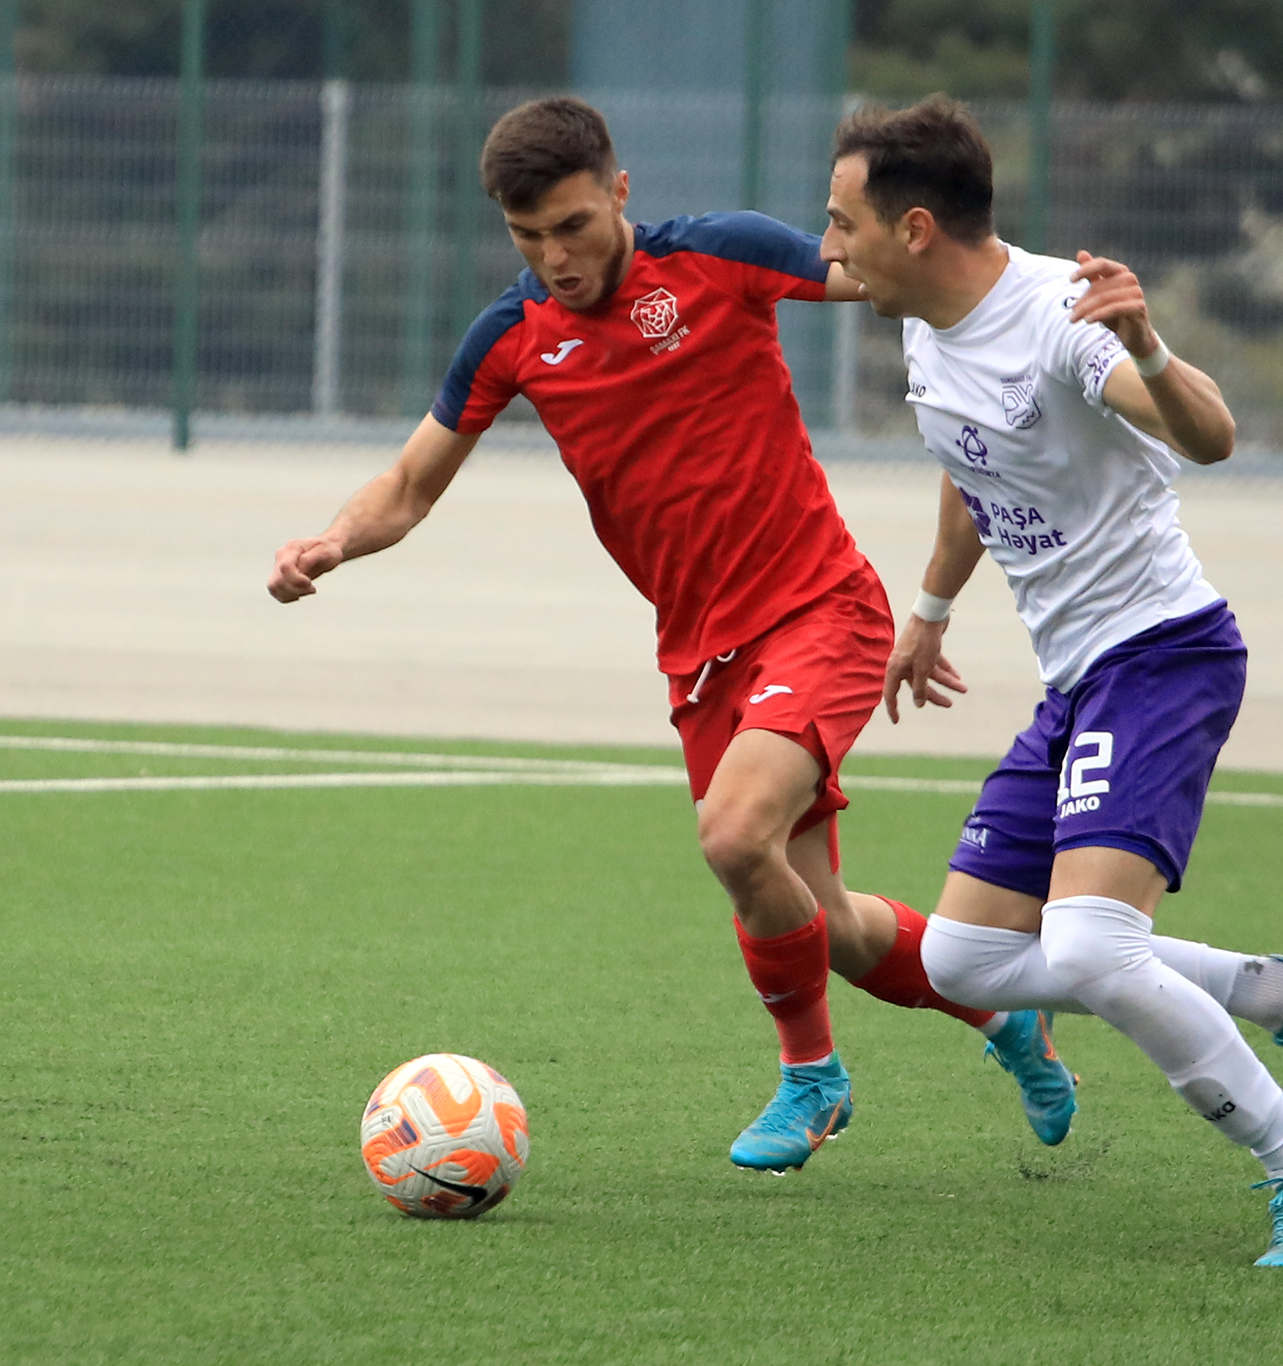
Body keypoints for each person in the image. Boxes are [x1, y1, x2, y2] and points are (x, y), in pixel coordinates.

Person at [267, 97, 1075, 1174]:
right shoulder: (511, 336)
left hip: (820, 609)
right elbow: (410, 485)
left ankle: (811, 1079)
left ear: (620, 192)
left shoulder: (717, 257)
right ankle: (1004, 1014)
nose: (555, 258)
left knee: (733, 835)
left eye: (572, 226)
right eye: (527, 236)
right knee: (827, 921)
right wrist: (332, 540)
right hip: (701, 657)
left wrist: (1038, 308)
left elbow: (889, 273)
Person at [818, 96, 1283, 1266]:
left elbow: (1210, 436)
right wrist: (928, 610)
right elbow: (970, 463)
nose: (829, 247)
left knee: (1087, 950)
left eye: (841, 222)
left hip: (1162, 655)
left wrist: (1148, 347)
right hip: (1078, 683)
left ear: (913, 227)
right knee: (962, 960)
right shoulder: (922, 324)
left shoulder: (1057, 321)